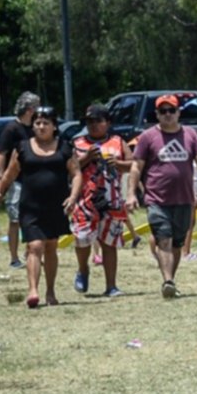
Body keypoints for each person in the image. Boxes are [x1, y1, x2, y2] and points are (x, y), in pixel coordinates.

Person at [131, 94, 197, 300]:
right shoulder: (148, 137)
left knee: (177, 243)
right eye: (163, 111)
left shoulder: (190, 135)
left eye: (171, 110)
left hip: (184, 198)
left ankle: (171, 279)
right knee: (164, 239)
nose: (167, 115)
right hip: (156, 198)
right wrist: (131, 193)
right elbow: (136, 166)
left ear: (178, 112)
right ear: (157, 115)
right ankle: (167, 280)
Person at [0, 105, 71, 308]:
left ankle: (50, 291)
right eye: (37, 123)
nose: (41, 126)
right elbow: (9, 175)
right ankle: (33, 290)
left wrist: (74, 196)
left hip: (55, 204)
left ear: (54, 126)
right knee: (34, 246)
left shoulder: (64, 147)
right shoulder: (22, 148)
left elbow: (76, 174)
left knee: (51, 246)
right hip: (30, 205)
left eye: (45, 123)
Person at [69, 104, 133, 297]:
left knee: (109, 243)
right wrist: (86, 158)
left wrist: (120, 164)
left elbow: (134, 164)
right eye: (90, 122)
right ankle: (83, 270)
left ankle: (111, 285)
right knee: (82, 239)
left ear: (108, 123)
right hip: (84, 200)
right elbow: (70, 167)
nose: (94, 125)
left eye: (98, 121)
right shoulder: (78, 142)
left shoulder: (117, 142)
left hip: (111, 200)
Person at [0, 91, 39, 269]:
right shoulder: (12, 128)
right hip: (17, 181)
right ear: (29, 109)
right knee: (15, 219)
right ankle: (14, 258)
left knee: (34, 218)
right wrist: (1, 175)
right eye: (36, 107)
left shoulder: (36, 127)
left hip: (34, 179)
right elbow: (1, 152)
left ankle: (31, 254)